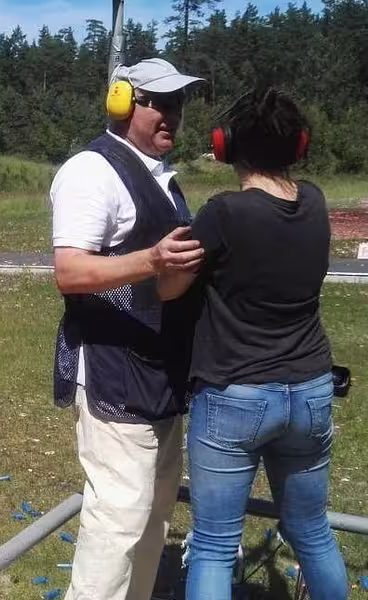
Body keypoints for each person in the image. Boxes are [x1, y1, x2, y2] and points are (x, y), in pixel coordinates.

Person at [158, 88, 347, 600]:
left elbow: (170, 288)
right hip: (309, 389)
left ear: (226, 146)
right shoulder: (315, 200)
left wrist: (160, 261)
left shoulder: (224, 213)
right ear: (298, 145)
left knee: (216, 547)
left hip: (234, 395)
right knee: (312, 531)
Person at [50, 57, 206, 600]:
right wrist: (154, 262)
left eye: (178, 103)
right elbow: (69, 272)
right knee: (117, 521)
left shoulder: (161, 176)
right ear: (122, 102)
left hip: (159, 370)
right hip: (116, 371)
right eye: (158, 102)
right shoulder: (90, 172)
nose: (171, 114)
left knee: (154, 514)